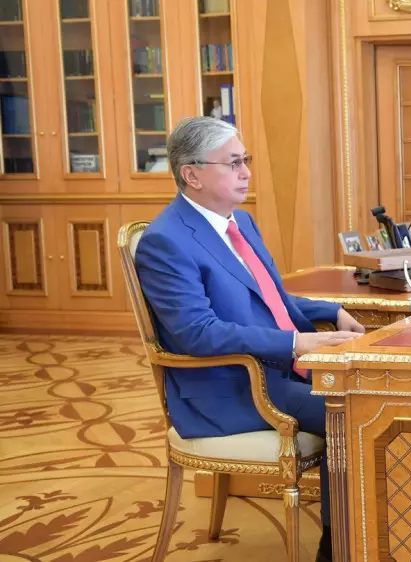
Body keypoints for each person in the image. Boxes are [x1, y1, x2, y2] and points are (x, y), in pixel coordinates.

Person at [135, 116, 362, 562]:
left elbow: (268, 294)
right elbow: (197, 333)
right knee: (353, 412)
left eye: (246, 160)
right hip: (232, 387)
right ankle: (338, 547)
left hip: (277, 371)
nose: (246, 172)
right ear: (192, 174)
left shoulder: (239, 221)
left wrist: (330, 310)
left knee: (365, 393)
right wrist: (295, 344)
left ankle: (364, 534)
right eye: (233, 163)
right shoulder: (166, 242)